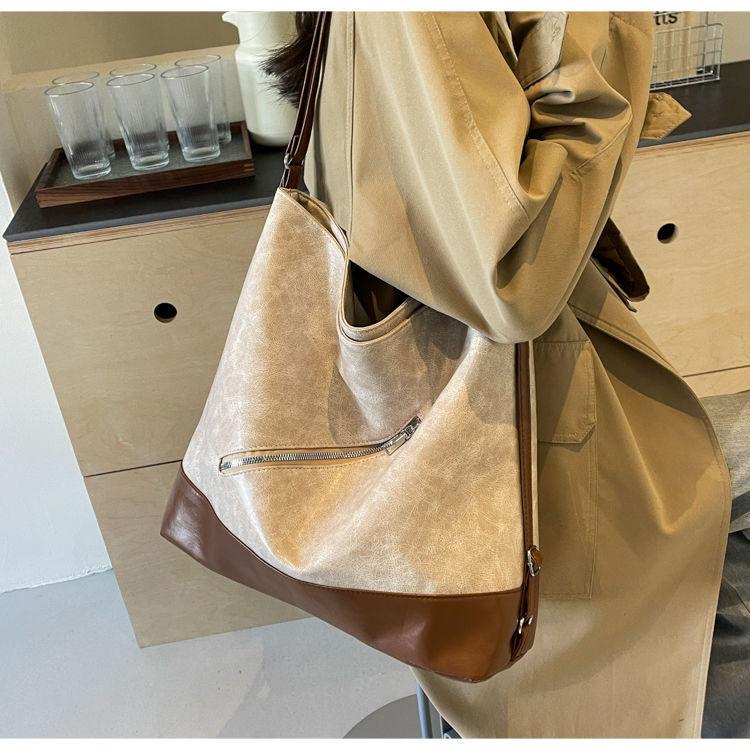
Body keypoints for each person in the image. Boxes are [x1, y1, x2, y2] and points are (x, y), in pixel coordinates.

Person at [266, 12, 731, 737]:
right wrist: (611, 35)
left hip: (436, 374)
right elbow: (512, 278)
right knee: (691, 551)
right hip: (514, 412)